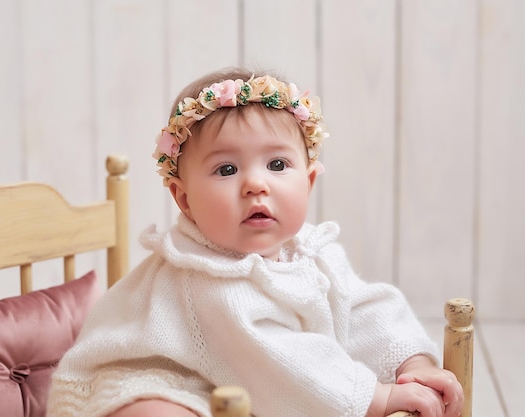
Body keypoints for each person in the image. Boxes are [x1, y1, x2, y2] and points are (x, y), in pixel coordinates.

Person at [46, 67, 463, 417]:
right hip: (144, 383)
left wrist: (411, 362)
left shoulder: (313, 251)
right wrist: (378, 397)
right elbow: (278, 358)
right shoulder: (206, 279)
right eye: (226, 169)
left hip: (231, 384)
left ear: (310, 179)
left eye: (277, 164)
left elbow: (366, 309)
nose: (255, 185)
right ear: (184, 198)